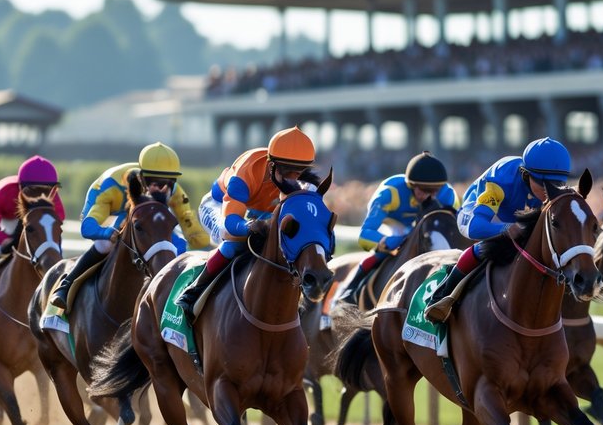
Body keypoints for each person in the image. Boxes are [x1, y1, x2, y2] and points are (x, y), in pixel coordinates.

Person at [174, 126, 319, 317]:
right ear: (271, 165)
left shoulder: (304, 184)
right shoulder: (246, 171)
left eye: (298, 172)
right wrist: (248, 226)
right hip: (219, 207)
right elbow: (231, 221)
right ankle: (194, 290)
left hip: (258, 213)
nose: (293, 179)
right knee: (234, 242)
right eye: (287, 171)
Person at [424, 137, 573, 323]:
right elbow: (477, 226)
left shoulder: (552, 189)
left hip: (517, 216)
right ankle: (443, 296)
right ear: (526, 175)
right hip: (481, 214)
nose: (549, 191)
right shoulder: (502, 178)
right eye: (544, 184)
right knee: (490, 244)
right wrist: (505, 228)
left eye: (556, 185)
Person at [48, 142, 210, 309]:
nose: (161, 188)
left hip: (146, 213)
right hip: (112, 207)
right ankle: (66, 285)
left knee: (177, 243)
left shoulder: (174, 191)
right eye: (154, 182)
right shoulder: (112, 187)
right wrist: (107, 233)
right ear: (142, 178)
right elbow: (87, 228)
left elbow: (194, 232)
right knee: (105, 244)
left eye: (169, 182)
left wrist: (201, 236)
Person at [335, 151, 457, 307]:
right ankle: (347, 292)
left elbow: (454, 230)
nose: (430, 196)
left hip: (426, 228)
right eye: (424, 190)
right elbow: (365, 236)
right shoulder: (390, 192)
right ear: (411, 186)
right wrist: (389, 241)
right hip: (394, 227)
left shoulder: (447, 194)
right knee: (380, 254)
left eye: (434, 191)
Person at [0, 155, 65, 300]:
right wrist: (3, 240)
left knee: (51, 243)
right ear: (21, 186)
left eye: (46, 190)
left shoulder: (53, 197)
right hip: (10, 220)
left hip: (36, 222)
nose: (40, 196)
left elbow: (58, 220)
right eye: (33, 190)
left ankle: (63, 286)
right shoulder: (5, 192)